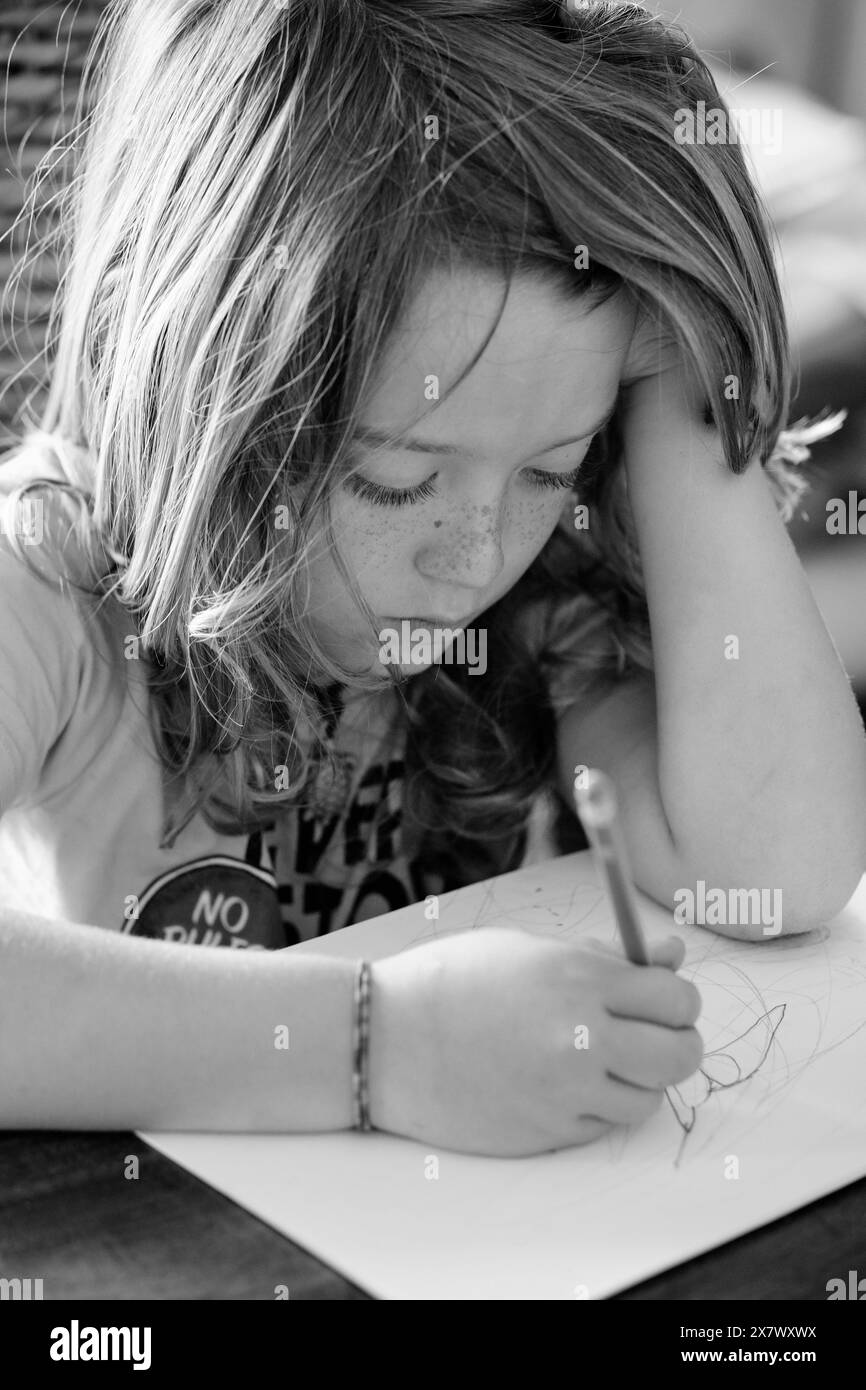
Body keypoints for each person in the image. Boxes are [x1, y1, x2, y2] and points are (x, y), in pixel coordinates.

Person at [1, 0, 863, 1156]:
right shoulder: (55, 571)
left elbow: (780, 871)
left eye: (546, 468)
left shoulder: (539, 595)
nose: (473, 556)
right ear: (201, 384)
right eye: (398, 480)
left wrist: (676, 380)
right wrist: (375, 1044)